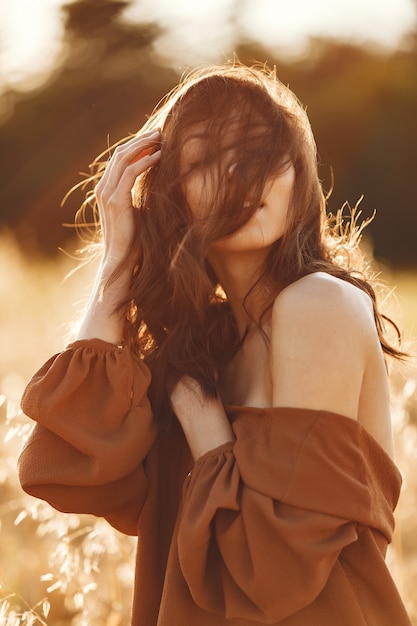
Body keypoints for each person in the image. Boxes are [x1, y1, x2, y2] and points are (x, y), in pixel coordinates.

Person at [18, 62, 411, 626]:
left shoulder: (315, 305)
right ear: (171, 194)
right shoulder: (202, 346)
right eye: (203, 160)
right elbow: (71, 469)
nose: (239, 177)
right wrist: (115, 267)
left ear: (298, 176)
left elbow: (273, 570)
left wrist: (208, 434)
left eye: (258, 152)